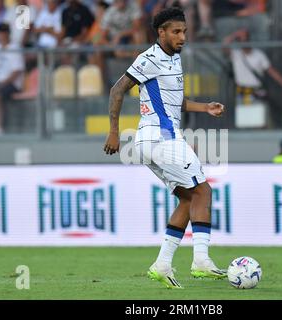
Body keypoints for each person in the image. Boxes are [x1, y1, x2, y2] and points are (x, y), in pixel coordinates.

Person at [103, 6, 226, 289]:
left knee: (187, 198)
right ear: (161, 32)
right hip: (161, 137)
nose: (182, 37)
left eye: (184, 31)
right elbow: (117, 89)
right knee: (203, 190)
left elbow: (175, 102)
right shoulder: (149, 58)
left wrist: (204, 107)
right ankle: (201, 261)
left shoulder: (174, 59)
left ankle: (162, 264)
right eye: (176, 32)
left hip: (156, 140)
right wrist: (114, 133)